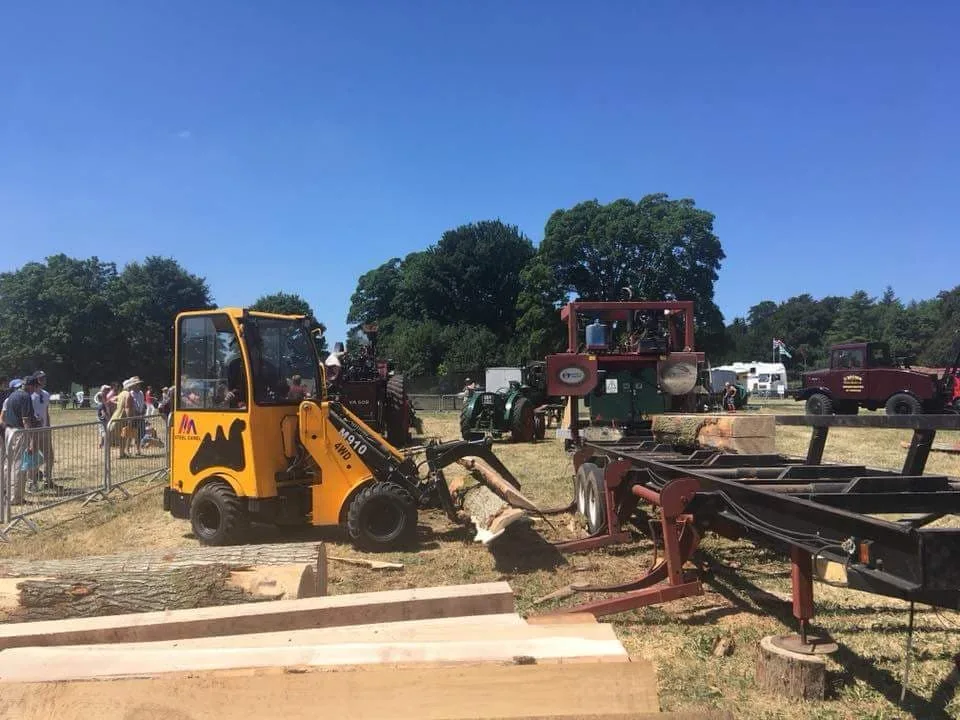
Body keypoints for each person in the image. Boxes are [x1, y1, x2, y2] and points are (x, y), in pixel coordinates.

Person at [4, 375, 41, 505]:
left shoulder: (13, 395)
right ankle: (16, 498)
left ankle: (5, 493)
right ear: (31, 386)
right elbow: (26, 420)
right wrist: (31, 440)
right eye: (35, 387)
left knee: (8, 463)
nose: (35, 390)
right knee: (19, 464)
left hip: (9, 431)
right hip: (19, 432)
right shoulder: (25, 397)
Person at [30, 370, 54, 486]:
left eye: (44, 378)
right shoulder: (29, 395)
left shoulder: (46, 394)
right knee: (34, 457)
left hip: (44, 430)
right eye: (41, 378)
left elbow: (46, 411)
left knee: (49, 456)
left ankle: (47, 480)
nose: (43, 380)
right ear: (35, 380)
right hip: (33, 431)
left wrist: (48, 426)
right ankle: (33, 482)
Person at [109, 377, 140, 458]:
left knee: (122, 436)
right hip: (123, 417)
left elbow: (112, 400)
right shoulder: (128, 395)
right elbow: (127, 408)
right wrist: (129, 420)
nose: (134, 386)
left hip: (116, 416)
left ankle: (122, 453)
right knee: (123, 436)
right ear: (130, 386)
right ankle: (121, 454)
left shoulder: (121, 394)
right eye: (133, 385)